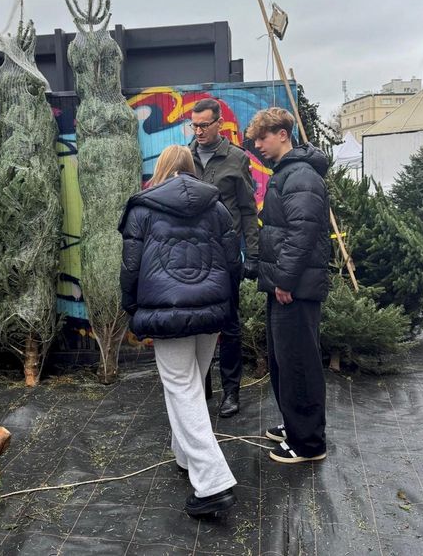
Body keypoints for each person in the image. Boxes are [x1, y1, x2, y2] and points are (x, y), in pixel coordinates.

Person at [118, 145, 240, 515]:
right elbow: (233, 261)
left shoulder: (142, 208)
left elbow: (130, 267)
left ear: (162, 168)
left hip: (166, 312)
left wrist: (131, 307)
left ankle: (213, 483)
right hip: (211, 311)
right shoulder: (216, 207)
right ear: (190, 168)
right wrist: (228, 305)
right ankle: (184, 455)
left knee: (183, 389)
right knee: (192, 385)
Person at [245, 107, 330, 464]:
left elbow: (303, 233)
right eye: (256, 140)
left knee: (299, 363)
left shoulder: (301, 176)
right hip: (286, 285)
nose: (259, 145)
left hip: (294, 288)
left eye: (263, 137)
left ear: (283, 134)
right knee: (284, 360)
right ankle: (294, 424)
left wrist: (285, 280)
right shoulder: (288, 173)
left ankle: (308, 444)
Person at [188, 98, 259, 418]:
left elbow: (247, 210)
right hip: (192, 255)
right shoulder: (184, 157)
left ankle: (232, 391)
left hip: (226, 254)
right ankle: (202, 387)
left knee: (229, 325)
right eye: (195, 125)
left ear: (219, 124)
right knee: (198, 323)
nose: (199, 131)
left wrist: (253, 254)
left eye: (204, 125)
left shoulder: (236, 159)